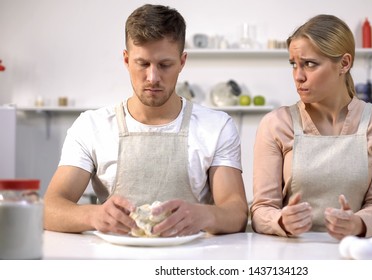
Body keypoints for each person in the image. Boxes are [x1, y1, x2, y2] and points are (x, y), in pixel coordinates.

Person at [43, 4, 248, 237]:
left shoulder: (217, 126)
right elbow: (50, 208)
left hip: (190, 261)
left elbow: (237, 213)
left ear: (182, 62)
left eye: (165, 65)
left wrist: (204, 215)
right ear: (126, 60)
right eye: (143, 64)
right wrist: (93, 216)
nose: (153, 77)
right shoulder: (91, 126)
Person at [250, 14, 372, 240]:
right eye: (294, 64)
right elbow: (261, 209)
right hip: (289, 252)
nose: (298, 76)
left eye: (309, 64)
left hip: (354, 251)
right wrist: (281, 220)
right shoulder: (276, 124)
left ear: (344, 63)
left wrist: (358, 223)